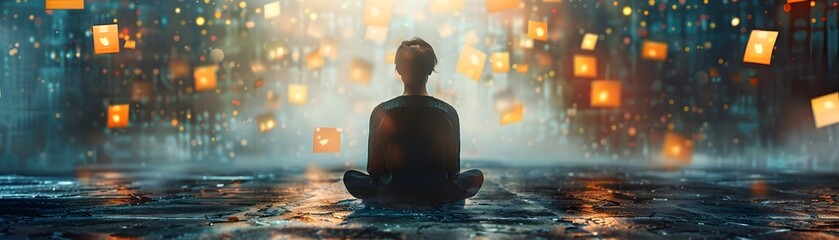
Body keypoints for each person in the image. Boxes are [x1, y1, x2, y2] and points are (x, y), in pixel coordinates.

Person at [343, 38, 483, 205]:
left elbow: (374, 170)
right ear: (430, 70)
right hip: (436, 192)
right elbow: (453, 170)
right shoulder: (448, 111)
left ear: (398, 70)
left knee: (351, 177)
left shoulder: (381, 111)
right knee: (475, 175)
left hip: (391, 192)